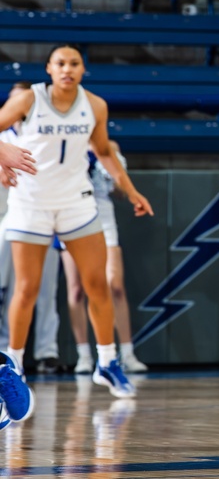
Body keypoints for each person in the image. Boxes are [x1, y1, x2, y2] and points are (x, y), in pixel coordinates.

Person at [0, 44, 153, 413]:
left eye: (74, 63)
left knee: (97, 283)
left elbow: (103, 152)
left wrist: (131, 191)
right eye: (60, 63)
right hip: (31, 201)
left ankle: (107, 361)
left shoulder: (95, 105)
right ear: (49, 68)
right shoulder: (29, 99)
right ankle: (14, 367)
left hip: (76, 202)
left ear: (83, 69)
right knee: (26, 288)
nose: (67, 69)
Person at [62, 143, 148, 375]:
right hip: (69, 212)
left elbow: (119, 191)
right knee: (77, 289)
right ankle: (84, 355)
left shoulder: (108, 145)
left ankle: (127, 353)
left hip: (102, 213)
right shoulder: (64, 138)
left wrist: (113, 172)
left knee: (115, 285)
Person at [0, 83, 61, 375]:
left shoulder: (48, 133)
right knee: (8, 289)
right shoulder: (3, 136)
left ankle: (47, 351)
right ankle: (5, 350)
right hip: (6, 218)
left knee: (45, 288)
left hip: (42, 216)